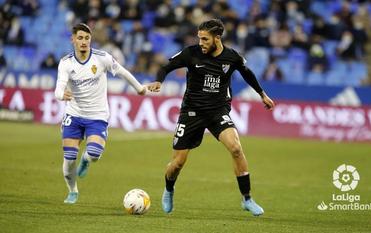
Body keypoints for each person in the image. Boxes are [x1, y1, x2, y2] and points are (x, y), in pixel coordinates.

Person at [147, 19, 275, 216]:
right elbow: (166, 67)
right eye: (199, 38)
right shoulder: (191, 53)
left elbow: (247, 73)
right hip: (192, 112)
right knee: (178, 163)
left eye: (205, 39)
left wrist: (262, 94)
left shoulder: (232, 57)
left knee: (236, 148)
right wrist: (158, 80)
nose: (201, 42)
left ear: (217, 38)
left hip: (217, 111)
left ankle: (247, 199)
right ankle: (169, 190)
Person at [55, 23, 146, 204]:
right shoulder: (66, 62)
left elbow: (122, 72)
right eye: (80, 38)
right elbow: (59, 85)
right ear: (73, 39)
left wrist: (139, 88)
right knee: (69, 157)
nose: (83, 42)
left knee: (94, 153)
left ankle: (86, 161)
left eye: (87, 38)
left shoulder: (102, 58)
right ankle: (73, 191)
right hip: (74, 115)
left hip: (97, 116)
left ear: (91, 40)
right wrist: (60, 94)